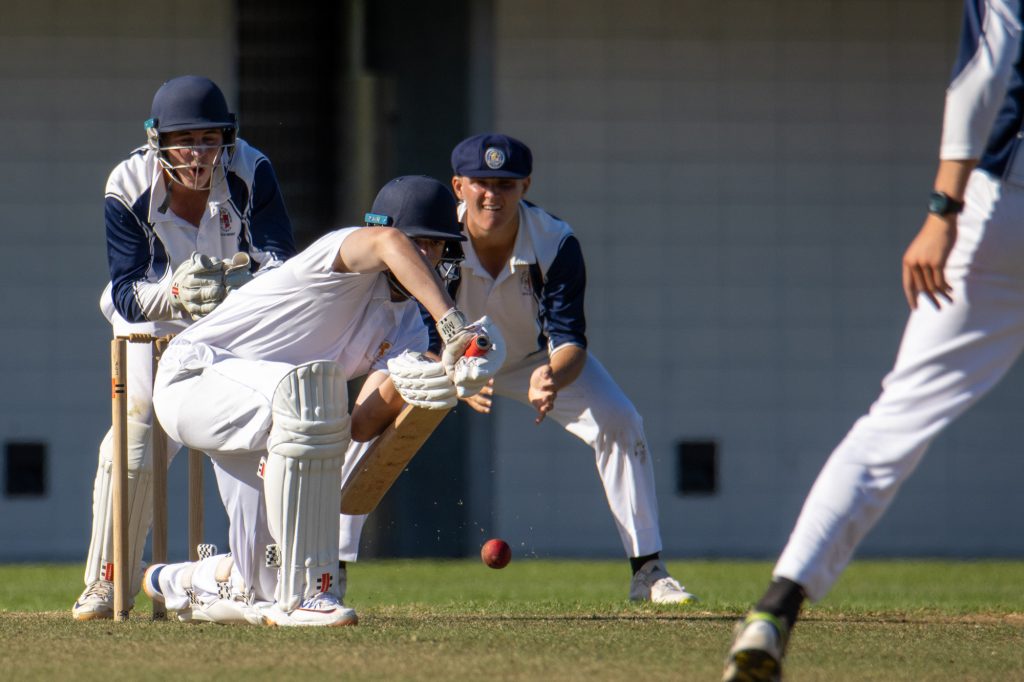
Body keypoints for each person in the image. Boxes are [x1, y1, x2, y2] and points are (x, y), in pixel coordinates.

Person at [723, 2, 1024, 679]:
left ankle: (777, 607)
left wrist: (942, 208)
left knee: (894, 425)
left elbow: (990, 62)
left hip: (1002, 211)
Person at [338, 134, 697, 603]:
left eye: (506, 184)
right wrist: (453, 377)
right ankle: (330, 567)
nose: (493, 195)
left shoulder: (555, 242)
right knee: (360, 428)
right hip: (438, 358)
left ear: (525, 185)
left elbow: (569, 341)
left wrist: (553, 376)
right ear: (458, 186)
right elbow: (415, 327)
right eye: (481, 183)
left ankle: (648, 571)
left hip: (530, 360)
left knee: (621, 420)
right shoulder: (436, 237)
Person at [145, 175, 503, 626]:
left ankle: (184, 580)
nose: (428, 258)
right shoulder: (338, 255)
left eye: (436, 247)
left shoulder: (408, 323)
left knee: (259, 585)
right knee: (312, 394)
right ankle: (308, 592)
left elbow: (359, 424)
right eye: (421, 245)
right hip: (193, 378)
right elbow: (389, 242)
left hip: (264, 415)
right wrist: (453, 323)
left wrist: (426, 377)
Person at [73, 75, 296, 621]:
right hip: (153, 328)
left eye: (209, 138)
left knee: (252, 442)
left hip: (234, 326)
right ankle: (107, 583)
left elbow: (281, 263)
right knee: (132, 447)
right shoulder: (127, 184)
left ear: (227, 136)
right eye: (184, 139)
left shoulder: (251, 169)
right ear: (158, 141)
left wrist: (233, 288)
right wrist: (174, 292)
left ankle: (265, 574)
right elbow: (125, 292)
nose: (198, 153)